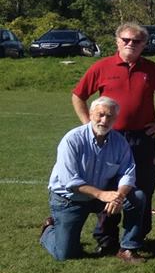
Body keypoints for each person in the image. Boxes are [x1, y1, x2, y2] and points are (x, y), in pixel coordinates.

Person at [72, 21, 155, 250]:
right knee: (109, 186)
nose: (131, 44)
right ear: (117, 41)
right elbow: (78, 96)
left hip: (143, 138)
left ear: (144, 44)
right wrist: (90, 125)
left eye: (136, 41)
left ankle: (137, 237)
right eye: (126, 40)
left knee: (143, 187)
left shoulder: (152, 69)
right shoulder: (102, 67)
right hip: (110, 139)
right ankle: (106, 238)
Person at [42, 96, 146, 263]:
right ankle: (49, 229)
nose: (104, 120)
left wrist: (119, 196)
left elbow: (128, 173)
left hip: (100, 195)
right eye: (100, 115)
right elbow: (69, 181)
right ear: (90, 114)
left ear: (115, 119)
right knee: (65, 254)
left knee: (137, 197)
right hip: (69, 199)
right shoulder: (72, 140)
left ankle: (128, 248)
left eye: (109, 116)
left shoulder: (119, 142)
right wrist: (102, 195)